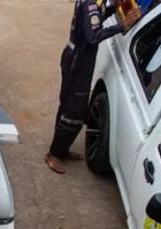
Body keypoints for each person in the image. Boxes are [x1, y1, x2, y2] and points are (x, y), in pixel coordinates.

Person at [46, 0, 140, 174]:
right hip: (78, 61)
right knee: (72, 110)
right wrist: (122, 25)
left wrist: (113, 10)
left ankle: (61, 149)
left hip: (79, 59)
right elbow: (93, 36)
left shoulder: (96, 4)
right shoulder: (92, 5)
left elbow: (93, 21)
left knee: (71, 105)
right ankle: (54, 154)